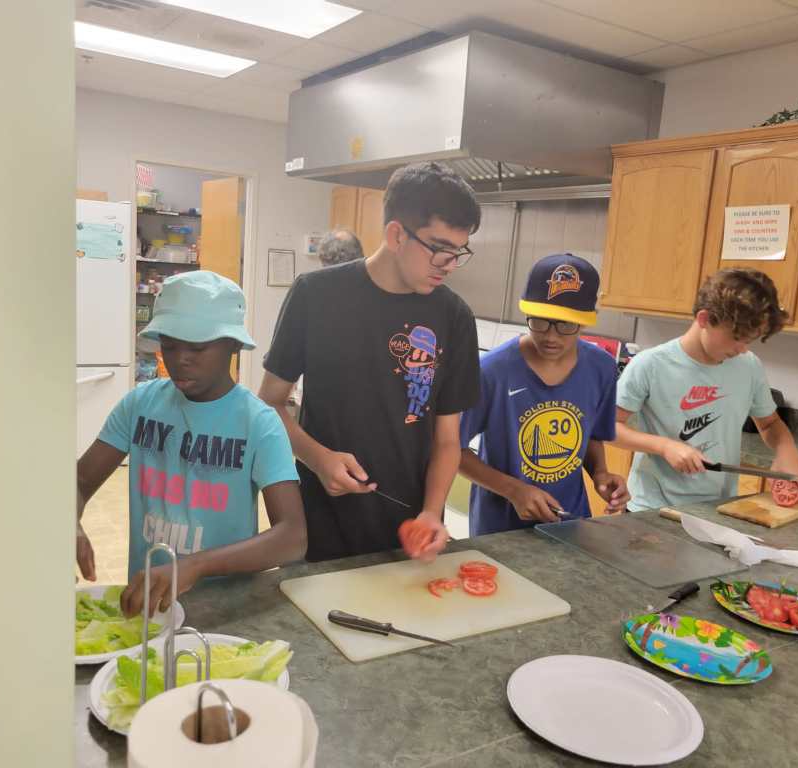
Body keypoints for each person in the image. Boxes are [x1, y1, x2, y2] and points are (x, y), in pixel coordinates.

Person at [260, 161, 482, 562]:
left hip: (408, 530)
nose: (449, 265)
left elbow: (448, 440)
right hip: (320, 523)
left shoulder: (454, 317)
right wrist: (317, 458)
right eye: (439, 249)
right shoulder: (316, 295)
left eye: (458, 252)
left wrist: (432, 512)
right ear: (396, 234)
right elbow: (269, 403)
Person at [76, 271, 306, 616]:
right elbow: (80, 481)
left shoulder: (257, 422)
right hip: (151, 608)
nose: (180, 358)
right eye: (169, 345)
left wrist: (196, 566)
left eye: (197, 347)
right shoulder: (140, 405)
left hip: (225, 611)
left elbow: (292, 537)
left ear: (233, 345)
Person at [614, 268, 798, 511]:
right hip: (651, 509)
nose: (742, 349)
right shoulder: (650, 364)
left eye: (749, 340)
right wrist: (664, 446)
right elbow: (609, 428)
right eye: (737, 337)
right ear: (704, 319)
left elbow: (770, 424)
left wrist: (786, 450)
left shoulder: (749, 366)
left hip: (717, 508)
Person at [459, 254, 629, 534]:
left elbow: (591, 435)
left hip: (569, 521)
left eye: (566, 325)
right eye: (539, 321)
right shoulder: (491, 371)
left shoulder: (601, 368)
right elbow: (452, 450)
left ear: (585, 322)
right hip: (499, 528)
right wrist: (514, 490)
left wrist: (600, 474)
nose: (551, 336)